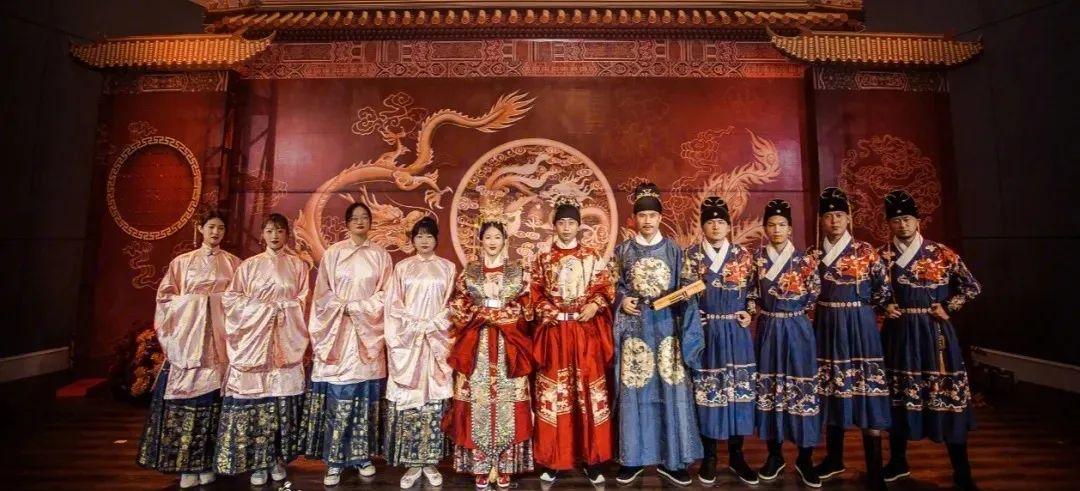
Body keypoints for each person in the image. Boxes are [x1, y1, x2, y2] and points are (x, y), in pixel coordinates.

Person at [878, 190, 981, 491]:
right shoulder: (882, 256)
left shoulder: (941, 253)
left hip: (935, 332)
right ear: (889, 224)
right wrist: (884, 306)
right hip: (899, 331)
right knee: (898, 394)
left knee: (946, 395)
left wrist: (948, 306)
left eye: (907, 219)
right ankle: (898, 461)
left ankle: (961, 469)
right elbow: (870, 290)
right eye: (896, 221)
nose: (902, 225)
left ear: (917, 221)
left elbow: (971, 286)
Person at [136, 210, 240, 489]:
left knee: (213, 404)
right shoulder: (182, 263)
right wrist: (198, 303)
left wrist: (216, 303)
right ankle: (185, 465)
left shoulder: (234, 264)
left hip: (219, 344)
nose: (216, 232)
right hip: (188, 343)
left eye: (221, 228)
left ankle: (207, 463)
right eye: (211, 227)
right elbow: (165, 300)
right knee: (187, 403)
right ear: (200, 228)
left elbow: (240, 303)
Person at [612, 182, 704, 487]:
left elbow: (689, 286)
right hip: (635, 331)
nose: (648, 221)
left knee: (670, 391)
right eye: (642, 215)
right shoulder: (623, 251)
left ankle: (672, 460)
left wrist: (686, 293)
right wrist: (622, 300)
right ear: (635, 219)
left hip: (667, 330)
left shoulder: (674, 250)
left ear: (660, 217)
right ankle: (633, 459)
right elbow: (612, 286)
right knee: (635, 391)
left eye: (652, 215)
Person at [302, 202, 394, 486]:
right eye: (354, 218)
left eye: (365, 218)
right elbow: (322, 294)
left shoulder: (381, 256)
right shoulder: (334, 253)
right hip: (338, 334)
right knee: (338, 396)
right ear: (347, 223)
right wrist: (342, 308)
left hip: (367, 335)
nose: (360, 222)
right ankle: (334, 461)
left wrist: (358, 308)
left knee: (364, 397)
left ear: (371, 223)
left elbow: (387, 295)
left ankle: (361, 456)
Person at [442, 212, 535, 489]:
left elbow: (527, 307)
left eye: (497, 237)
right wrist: (482, 313)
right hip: (478, 342)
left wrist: (500, 315)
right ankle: (480, 465)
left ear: (505, 241)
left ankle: (505, 465)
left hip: (509, 344)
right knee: (477, 400)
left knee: (509, 400)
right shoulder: (469, 272)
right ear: (480, 240)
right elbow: (457, 305)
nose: (492, 241)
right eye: (488, 237)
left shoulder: (518, 272)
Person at [215, 213, 310, 485]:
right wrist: (264, 310)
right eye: (269, 231)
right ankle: (258, 462)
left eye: (279, 231)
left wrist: (283, 308)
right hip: (254, 344)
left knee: (280, 404)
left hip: (284, 341)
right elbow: (232, 300)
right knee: (257, 405)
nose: (275, 236)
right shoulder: (249, 266)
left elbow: (303, 301)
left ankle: (276, 459)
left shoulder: (298, 266)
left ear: (287, 234)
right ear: (262, 234)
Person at [529, 195, 615, 485]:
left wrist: (595, 304)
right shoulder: (543, 258)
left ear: (579, 226)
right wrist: (547, 309)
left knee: (588, 393)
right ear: (554, 226)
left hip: (584, 331)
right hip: (555, 332)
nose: (566, 227)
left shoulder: (591, 256)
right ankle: (553, 459)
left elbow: (605, 287)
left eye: (571, 222)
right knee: (555, 394)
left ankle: (593, 459)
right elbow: (534, 293)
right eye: (561, 222)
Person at [811, 187, 892, 490]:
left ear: (848, 219)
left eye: (839, 215)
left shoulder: (865, 251)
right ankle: (834, 458)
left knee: (865, 388)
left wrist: (868, 310)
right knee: (832, 387)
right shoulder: (813, 255)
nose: (834, 220)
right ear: (821, 221)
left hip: (860, 326)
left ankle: (875, 468)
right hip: (827, 324)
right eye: (828, 216)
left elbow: (884, 290)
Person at [682, 197, 759, 485]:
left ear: (728, 226)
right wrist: (693, 318)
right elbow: (683, 295)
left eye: (720, 222)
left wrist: (749, 311)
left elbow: (754, 292)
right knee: (708, 391)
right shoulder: (691, 256)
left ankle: (737, 456)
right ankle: (710, 456)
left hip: (735, 331)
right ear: (702, 227)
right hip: (706, 332)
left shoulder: (743, 256)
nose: (715, 227)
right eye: (710, 222)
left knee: (738, 391)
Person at [750, 199, 822, 488]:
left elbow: (814, 293)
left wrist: (793, 311)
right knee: (771, 388)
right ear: (765, 229)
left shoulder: (805, 260)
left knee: (801, 388)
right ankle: (775, 454)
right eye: (771, 225)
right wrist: (751, 309)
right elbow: (750, 293)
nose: (777, 230)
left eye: (782, 225)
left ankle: (805, 457)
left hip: (797, 326)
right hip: (769, 326)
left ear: (790, 229)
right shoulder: (756, 259)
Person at [383, 217, 456, 488]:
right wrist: (415, 326)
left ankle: (431, 462)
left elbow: (451, 304)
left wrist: (434, 324)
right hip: (410, 342)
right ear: (412, 240)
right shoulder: (402, 268)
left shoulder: (447, 268)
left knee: (433, 404)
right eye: (419, 236)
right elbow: (393, 306)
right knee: (412, 402)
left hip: (436, 341)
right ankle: (413, 464)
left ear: (436, 239)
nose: (424, 241)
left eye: (429, 236)